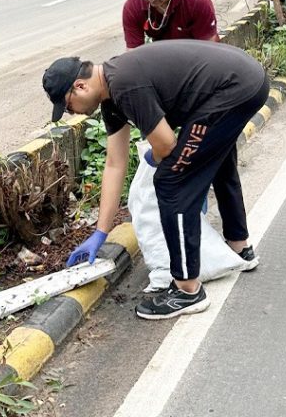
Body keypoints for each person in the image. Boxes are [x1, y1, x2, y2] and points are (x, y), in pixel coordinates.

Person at [44, 40, 269, 319]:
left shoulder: (124, 85)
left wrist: (155, 159)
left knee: (171, 181)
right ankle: (240, 247)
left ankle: (187, 290)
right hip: (243, 79)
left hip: (235, 87)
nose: (72, 112)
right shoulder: (112, 96)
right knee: (216, 158)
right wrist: (101, 232)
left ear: (80, 86)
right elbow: (114, 164)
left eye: (68, 106)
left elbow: (165, 144)